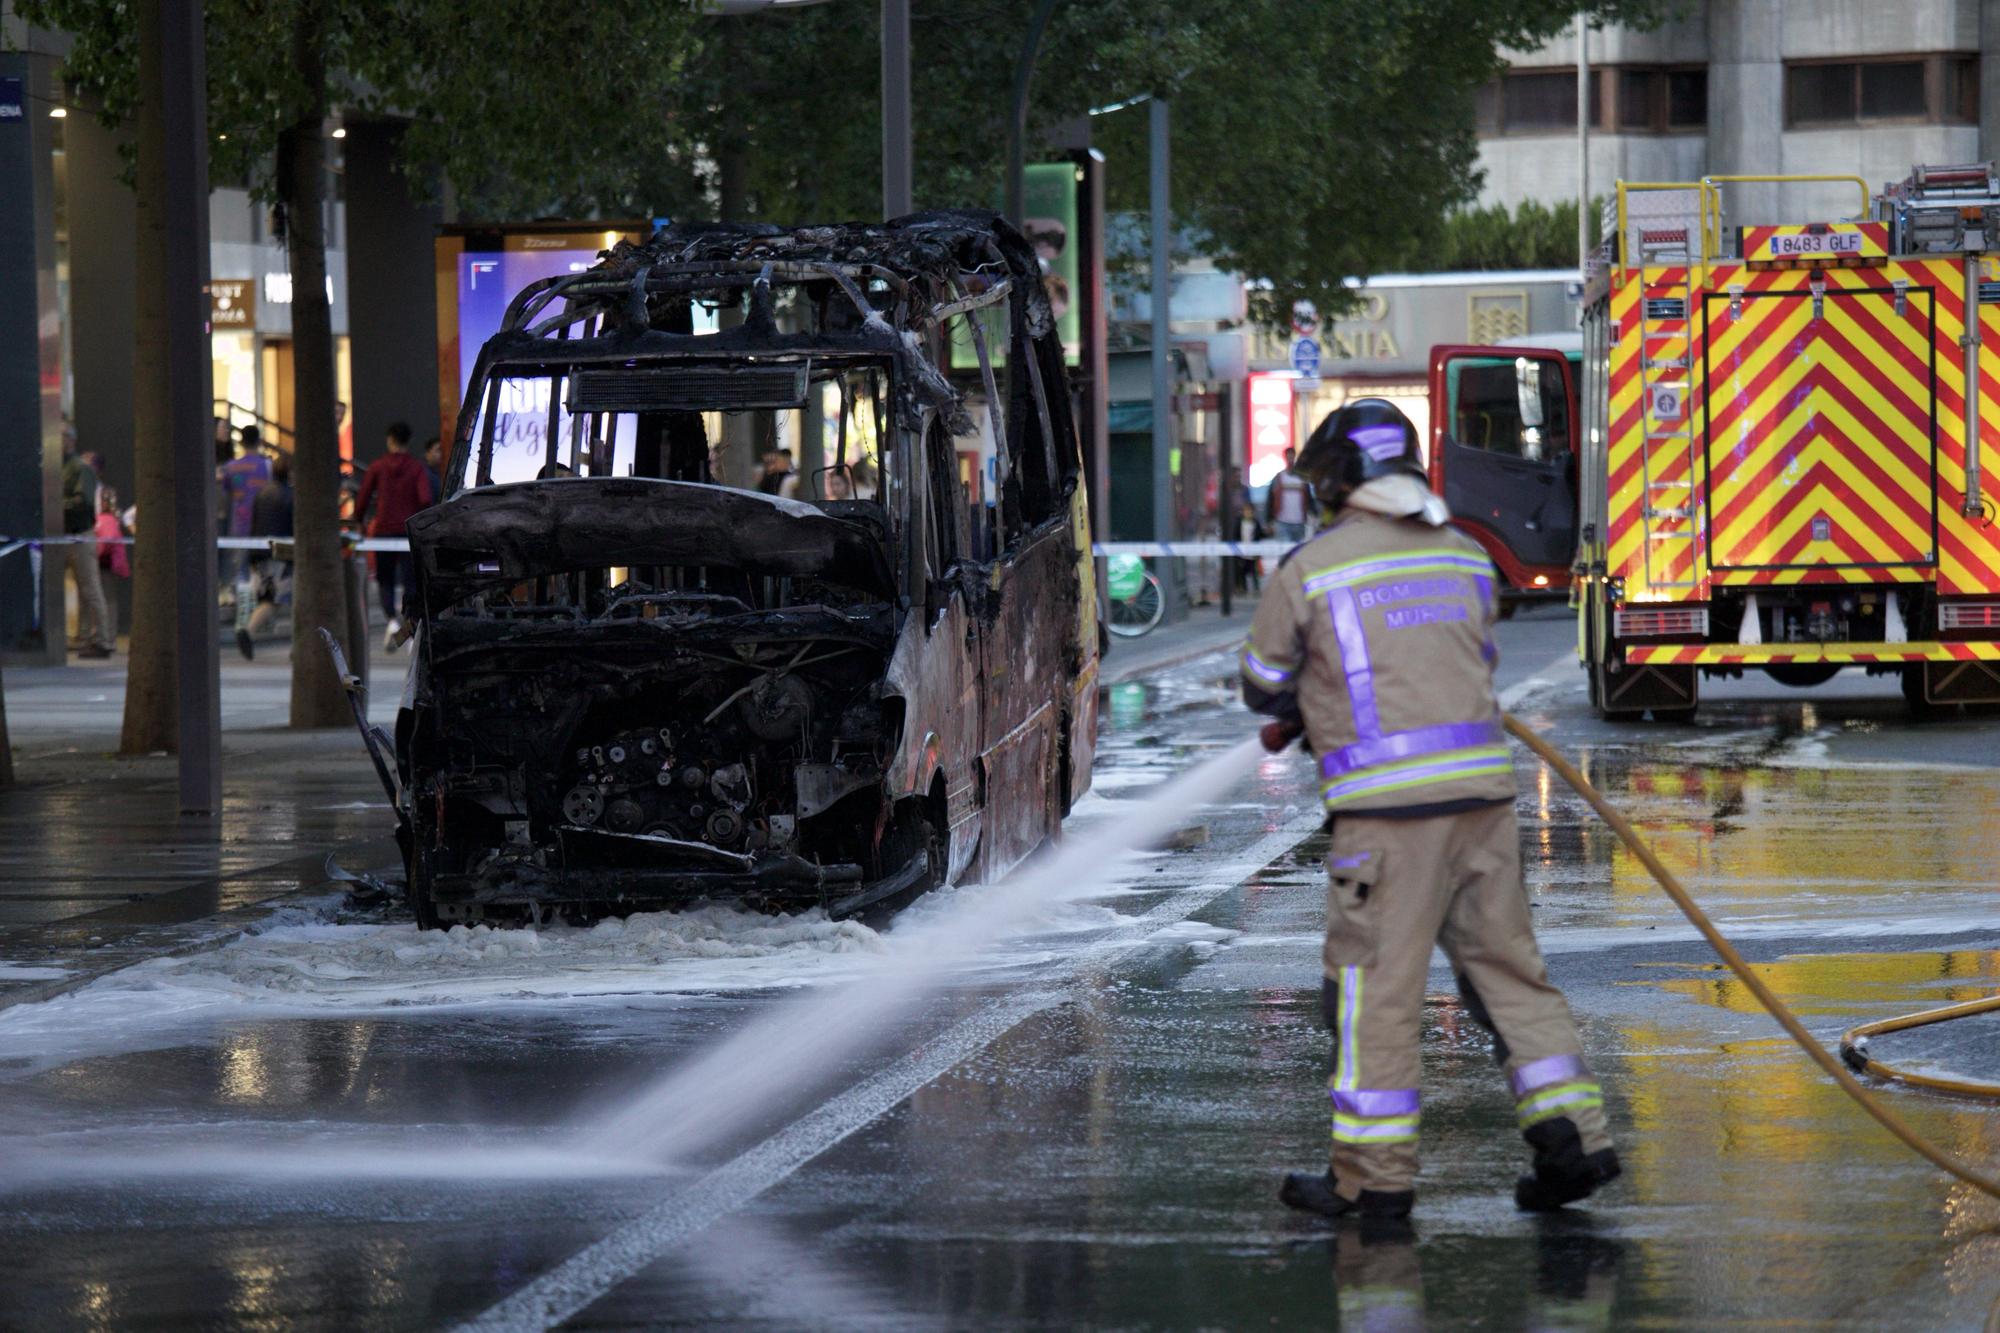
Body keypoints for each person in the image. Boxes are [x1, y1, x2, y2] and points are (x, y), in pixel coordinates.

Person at [1240, 398, 1619, 1223]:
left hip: (1386, 823)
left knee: (1373, 995)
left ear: (1342, 480)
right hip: (1481, 807)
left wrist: (1307, 695)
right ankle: (1576, 1142)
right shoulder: (1462, 555)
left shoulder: (1311, 567)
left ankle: (1374, 1183)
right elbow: (1473, 659)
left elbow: (1264, 681)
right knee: (1512, 976)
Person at [354, 420, 434, 651]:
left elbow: (363, 498)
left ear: (390, 439)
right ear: (408, 441)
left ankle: (390, 621)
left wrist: (359, 519)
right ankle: (409, 631)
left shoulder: (378, 467)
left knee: (385, 580)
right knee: (411, 583)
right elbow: (425, 498)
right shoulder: (417, 468)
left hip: (383, 532)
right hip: (408, 532)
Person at [59, 428, 115, 658]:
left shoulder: (81, 469)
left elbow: (82, 503)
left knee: (90, 588)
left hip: (80, 535)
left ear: (70, 440)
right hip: (65, 535)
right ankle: (84, 636)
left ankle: (102, 639)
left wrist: (55, 505)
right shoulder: (63, 468)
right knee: (83, 588)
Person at [236, 455, 295, 659]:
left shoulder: (262, 493)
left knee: (268, 599)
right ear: (289, 472)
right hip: (282, 556)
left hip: (259, 554)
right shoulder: (291, 495)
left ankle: (249, 631)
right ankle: (299, 646)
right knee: (287, 599)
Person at [1267, 446, 1313, 545]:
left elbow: (1309, 498)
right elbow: (1270, 499)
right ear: (1285, 458)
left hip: (1299, 522)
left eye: (1292, 456)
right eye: (1288, 457)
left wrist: (1313, 514)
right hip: (1282, 522)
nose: (1290, 459)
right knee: (1283, 552)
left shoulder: (1303, 478)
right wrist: (1269, 520)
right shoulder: (1279, 477)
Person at [1234, 498, 1266, 594]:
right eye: (1246, 511)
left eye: (1250, 511)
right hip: (1242, 553)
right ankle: (1242, 588)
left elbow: (1260, 535)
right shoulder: (1239, 523)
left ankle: (1256, 588)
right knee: (1241, 572)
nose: (1248, 513)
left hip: (1253, 553)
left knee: (1254, 572)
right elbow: (1235, 535)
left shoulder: (1256, 523)